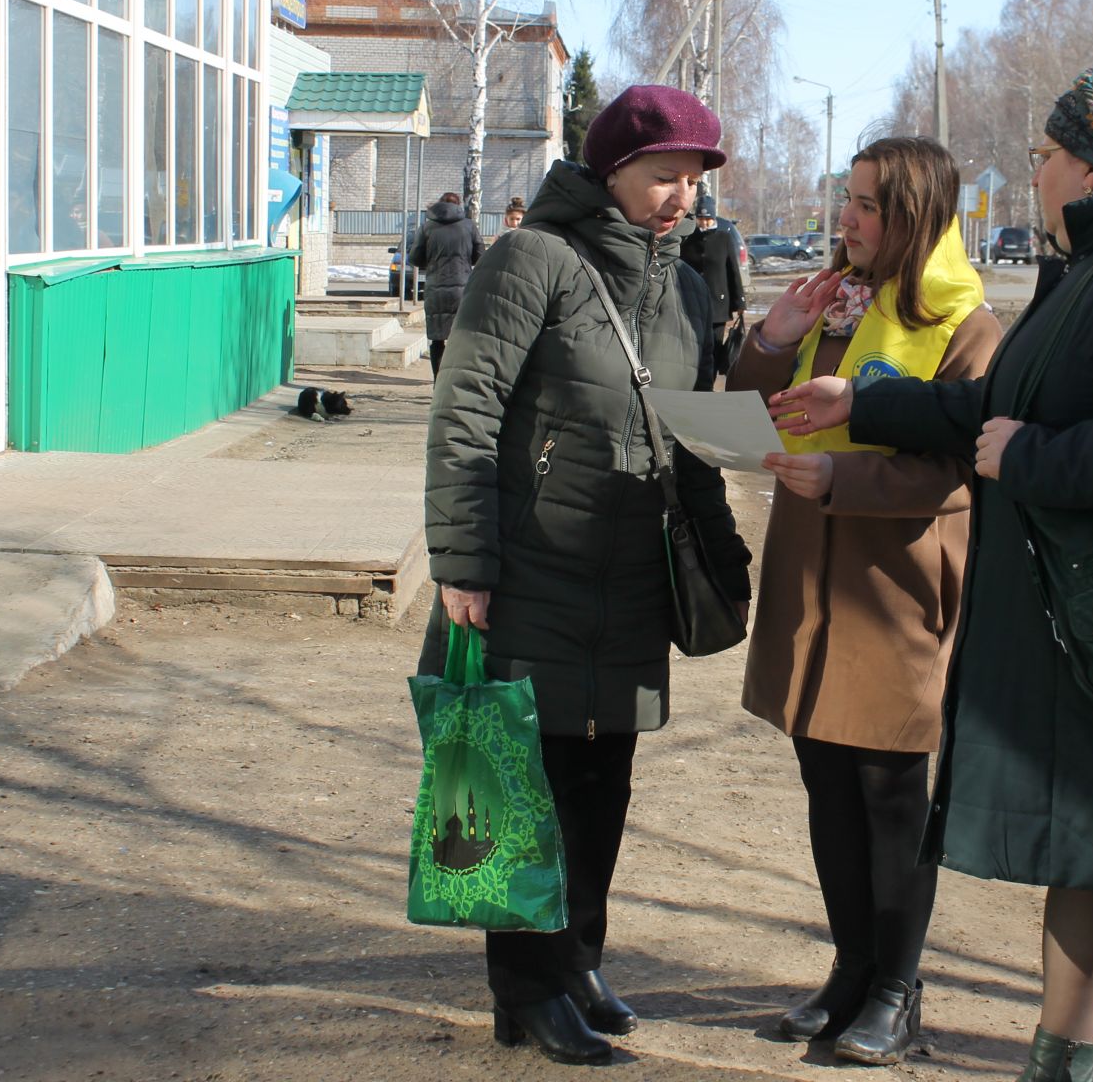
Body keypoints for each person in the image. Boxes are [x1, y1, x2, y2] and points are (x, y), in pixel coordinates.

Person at [771, 70, 1093, 1082]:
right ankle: (1061, 1058)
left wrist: (1030, 460)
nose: (1035, 171)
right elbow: (994, 406)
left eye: (1045, 154)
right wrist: (863, 403)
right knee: (1084, 853)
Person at [421, 84, 752, 1067]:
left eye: (694, 179)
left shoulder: (687, 288)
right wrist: (464, 560)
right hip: (532, 572)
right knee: (524, 779)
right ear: (610, 170)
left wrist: (722, 563)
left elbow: (691, 434)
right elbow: (467, 411)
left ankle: (579, 958)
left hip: (629, 576)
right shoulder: (535, 262)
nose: (681, 196)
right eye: (664, 174)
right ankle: (526, 987)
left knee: (605, 776)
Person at [731, 136, 1001, 1065]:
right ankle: (850, 970)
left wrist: (842, 486)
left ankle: (897, 987)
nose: (845, 220)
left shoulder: (967, 325)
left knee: (889, 788)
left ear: (917, 217)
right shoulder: (834, 302)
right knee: (825, 779)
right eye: (845, 200)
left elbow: (959, 468)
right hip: (811, 568)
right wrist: (769, 336)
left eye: (868, 206)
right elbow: (750, 400)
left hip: (898, 581)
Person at [408, 192, 481, 374]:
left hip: (435, 288)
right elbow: (479, 256)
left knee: (437, 339)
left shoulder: (426, 228)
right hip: (463, 288)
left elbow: (415, 258)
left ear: (439, 206)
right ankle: (457, 379)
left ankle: (437, 383)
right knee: (462, 336)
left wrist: (433, 263)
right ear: (459, 206)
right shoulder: (469, 226)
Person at [679, 191, 747, 375]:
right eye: (701, 218)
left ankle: (710, 379)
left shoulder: (723, 238)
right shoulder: (688, 238)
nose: (704, 222)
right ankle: (697, 378)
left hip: (718, 303)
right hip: (691, 301)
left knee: (715, 345)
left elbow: (733, 271)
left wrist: (740, 302)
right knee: (695, 344)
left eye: (708, 218)